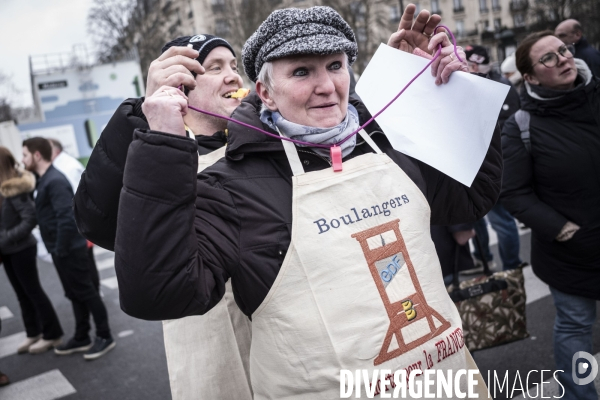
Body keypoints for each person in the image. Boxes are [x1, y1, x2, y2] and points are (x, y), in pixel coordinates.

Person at [114, 5, 500, 396]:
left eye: (335, 65)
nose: (327, 86)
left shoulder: (389, 142)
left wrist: (450, 93)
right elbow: (158, 293)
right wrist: (161, 145)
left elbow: (472, 197)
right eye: (302, 71)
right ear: (265, 92)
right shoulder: (229, 186)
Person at [75, 35, 253, 398]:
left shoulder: (264, 143)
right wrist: (144, 112)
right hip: (210, 348)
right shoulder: (161, 160)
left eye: (234, 67)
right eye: (215, 68)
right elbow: (97, 219)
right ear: (181, 86)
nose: (234, 76)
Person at [502, 30, 600, 400]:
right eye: (548, 58)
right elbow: (514, 193)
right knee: (576, 327)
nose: (562, 59)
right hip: (570, 253)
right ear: (529, 76)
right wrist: (561, 230)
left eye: (563, 50)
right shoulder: (522, 126)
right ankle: (579, 394)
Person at [22, 138, 115, 360]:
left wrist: (59, 248)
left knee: (87, 293)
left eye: (25, 154)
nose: (22, 159)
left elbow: (65, 217)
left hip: (69, 249)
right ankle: (81, 336)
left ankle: (105, 336)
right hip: (62, 250)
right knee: (74, 294)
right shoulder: (46, 179)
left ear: (37, 155)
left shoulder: (54, 180)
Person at [463, 45, 524, 273]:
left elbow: (508, 128)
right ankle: (484, 258)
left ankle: (511, 266)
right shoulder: (474, 84)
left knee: (501, 220)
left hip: (494, 165)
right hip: (475, 164)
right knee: (477, 216)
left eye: (467, 63)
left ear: (475, 65)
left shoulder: (500, 87)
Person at [0, 146, 64, 354]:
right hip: (8, 250)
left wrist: (5, 238)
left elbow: (30, 219)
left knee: (33, 291)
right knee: (21, 294)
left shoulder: (14, 187)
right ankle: (33, 332)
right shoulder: (3, 185)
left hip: (21, 249)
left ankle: (52, 334)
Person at [48, 138, 100, 292]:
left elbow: (79, 196)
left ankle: (95, 293)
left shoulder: (68, 167)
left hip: (78, 222)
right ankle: (94, 293)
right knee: (86, 263)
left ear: (56, 151)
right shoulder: (62, 165)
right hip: (77, 221)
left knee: (87, 263)